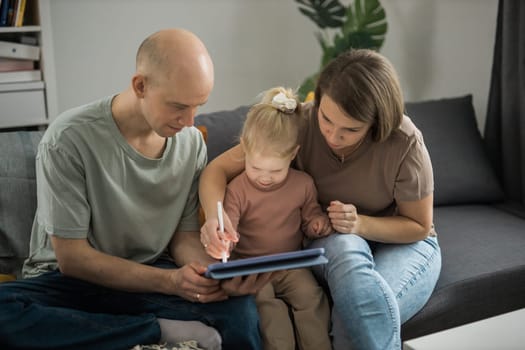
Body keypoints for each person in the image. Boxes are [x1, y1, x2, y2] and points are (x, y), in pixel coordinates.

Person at [0, 28, 271, 350]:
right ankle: (155, 331)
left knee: (239, 313)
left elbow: (183, 238)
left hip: (149, 281)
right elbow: (72, 258)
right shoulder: (68, 139)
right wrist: (170, 282)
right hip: (71, 283)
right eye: (178, 107)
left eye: (198, 106)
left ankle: (112, 331)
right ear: (140, 86)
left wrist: (212, 274)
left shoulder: (191, 143)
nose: (189, 121)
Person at [198, 49, 442, 350]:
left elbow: (418, 225)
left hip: (404, 241)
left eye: (351, 129)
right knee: (349, 264)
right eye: (327, 119)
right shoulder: (300, 120)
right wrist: (215, 217)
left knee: (355, 313)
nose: (333, 135)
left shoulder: (404, 142)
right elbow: (216, 171)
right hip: (335, 237)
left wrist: (360, 223)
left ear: (377, 122)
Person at [211, 86, 332, 350]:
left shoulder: (303, 184)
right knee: (268, 309)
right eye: (256, 167)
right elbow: (228, 221)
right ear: (244, 150)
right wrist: (225, 240)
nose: (264, 177)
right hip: (253, 268)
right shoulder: (238, 189)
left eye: (275, 170)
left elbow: (311, 216)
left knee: (312, 299)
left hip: (291, 263)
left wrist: (317, 224)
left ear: (293, 154)